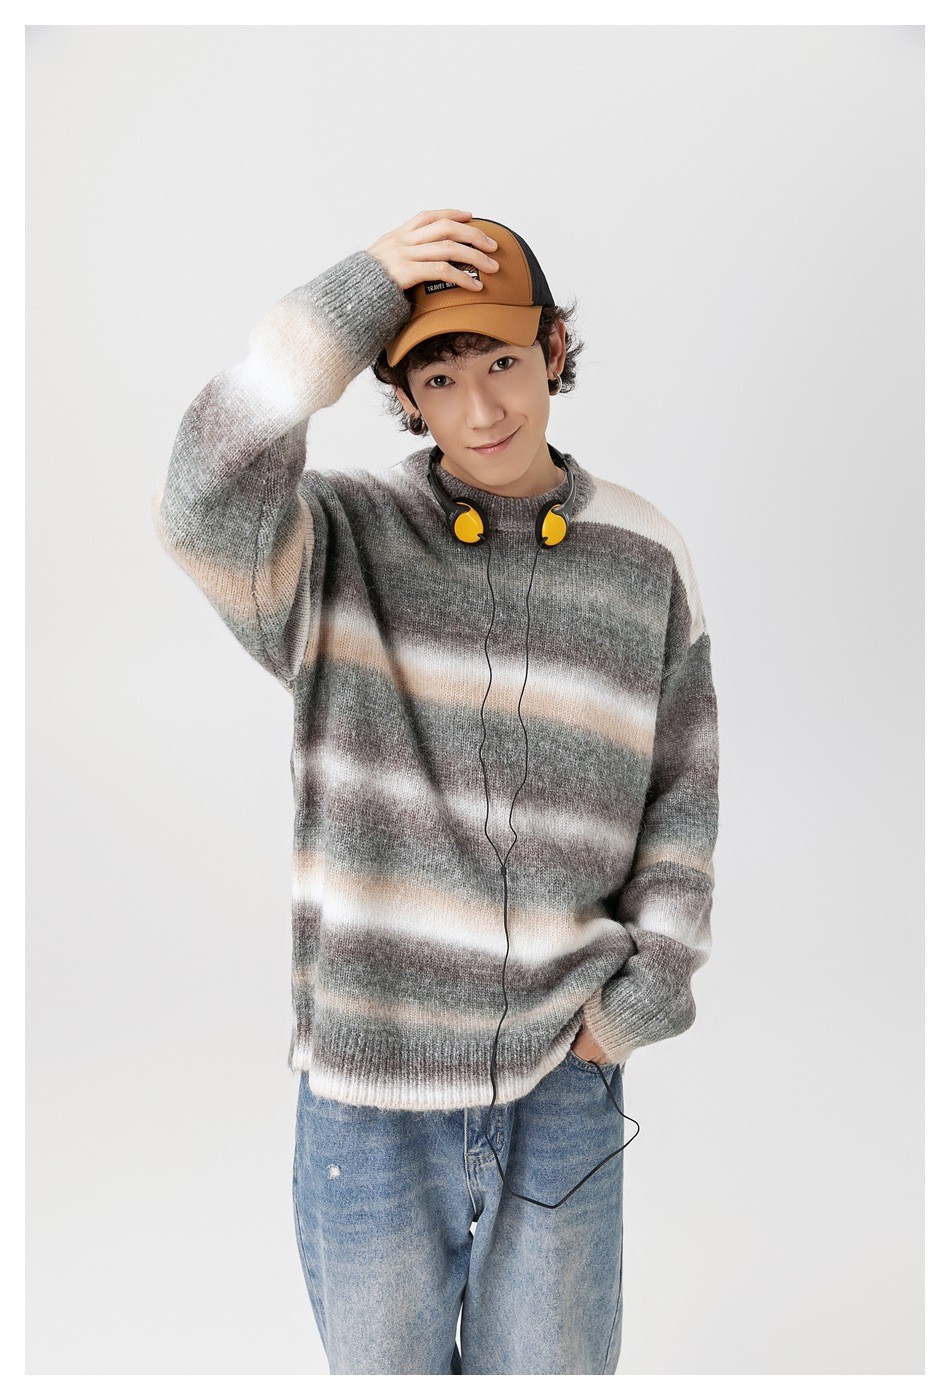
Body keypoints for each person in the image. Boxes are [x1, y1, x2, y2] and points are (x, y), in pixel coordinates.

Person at [151, 207, 720, 1375]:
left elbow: (682, 794)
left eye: (501, 361)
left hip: (562, 1083)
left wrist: (640, 998)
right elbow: (199, 498)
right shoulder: (333, 545)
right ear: (402, 393)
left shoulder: (644, 556)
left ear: (551, 345)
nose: (480, 409)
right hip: (369, 1096)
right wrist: (352, 293)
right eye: (439, 378)